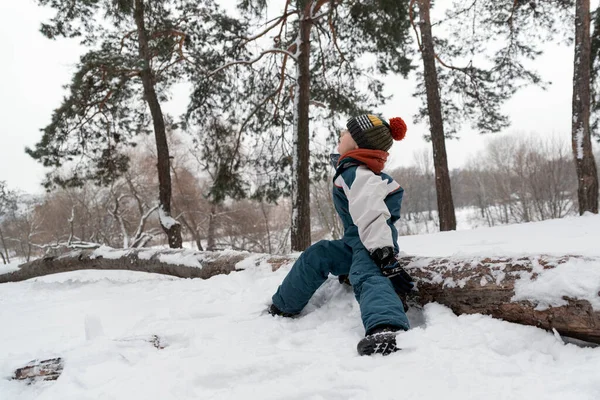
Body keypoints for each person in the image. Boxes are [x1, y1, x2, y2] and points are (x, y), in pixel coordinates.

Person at [268, 114, 414, 356]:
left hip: (373, 243)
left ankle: (387, 327)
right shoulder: (353, 170)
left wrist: (383, 255)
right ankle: (284, 305)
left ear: (358, 143)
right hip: (354, 242)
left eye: (346, 132)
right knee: (318, 254)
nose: (340, 135)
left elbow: (372, 214)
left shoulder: (359, 173)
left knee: (367, 274)